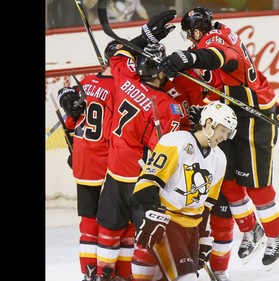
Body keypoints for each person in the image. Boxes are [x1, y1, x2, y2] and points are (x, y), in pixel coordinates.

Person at [160, 6, 279, 280]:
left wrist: (189, 56)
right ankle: (251, 229)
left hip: (252, 122)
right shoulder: (214, 40)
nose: (190, 40)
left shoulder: (214, 40)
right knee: (230, 181)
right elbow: (259, 88)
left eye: (191, 36)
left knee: (257, 186)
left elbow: (222, 58)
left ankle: (277, 237)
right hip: (234, 118)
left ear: (198, 31)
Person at [94, 39, 185, 280]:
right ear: (159, 71)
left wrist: (145, 35)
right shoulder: (167, 105)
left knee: (109, 230)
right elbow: (167, 148)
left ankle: (104, 275)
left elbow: (117, 54)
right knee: (141, 235)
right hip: (141, 179)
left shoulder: (125, 80)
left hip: (114, 172)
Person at [132, 101, 238, 281]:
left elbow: (206, 206)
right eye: (223, 130)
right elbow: (146, 183)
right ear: (209, 123)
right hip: (167, 223)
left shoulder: (219, 159)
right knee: (186, 278)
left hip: (192, 230)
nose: (225, 137)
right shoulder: (177, 141)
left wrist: (204, 238)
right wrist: (153, 211)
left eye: (228, 133)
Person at [56, 40, 119, 281]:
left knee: (88, 221)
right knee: (111, 222)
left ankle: (88, 273)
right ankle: (107, 272)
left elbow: (72, 121)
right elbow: (118, 131)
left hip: (84, 163)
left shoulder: (85, 83)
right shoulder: (121, 88)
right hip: (106, 165)